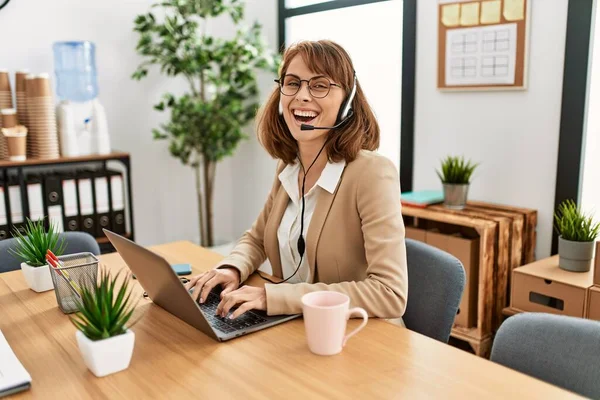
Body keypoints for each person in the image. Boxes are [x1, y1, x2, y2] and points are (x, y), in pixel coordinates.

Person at [185, 40, 408, 322]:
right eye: (292, 83)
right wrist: (231, 269)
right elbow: (257, 239)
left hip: (358, 336)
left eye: (319, 85)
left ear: (347, 101)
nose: (302, 95)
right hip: (295, 326)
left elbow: (390, 292)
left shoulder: (372, 174)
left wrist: (272, 297)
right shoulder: (289, 166)